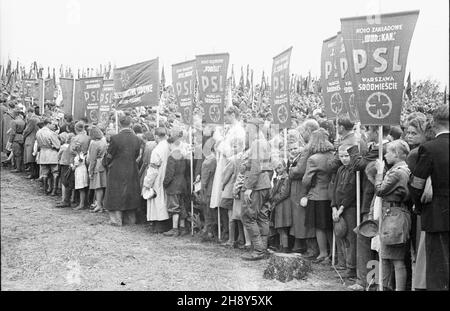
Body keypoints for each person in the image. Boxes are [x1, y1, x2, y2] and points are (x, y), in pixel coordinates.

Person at [409, 104, 449, 291]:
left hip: (436, 215)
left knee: (437, 270)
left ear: (434, 123)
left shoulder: (429, 148)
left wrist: (418, 206)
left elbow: (417, 184)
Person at [347, 125, 390, 291]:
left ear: (376, 131)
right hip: (370, 198)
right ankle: (371, 280)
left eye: (369, 130)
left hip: (374, 201)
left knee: (365, 238)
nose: (366, 134)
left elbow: (358, 163)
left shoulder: (382, 149)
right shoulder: (376, 148)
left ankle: (365, 281)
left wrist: (355, 145)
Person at [375, 139, 411, 291]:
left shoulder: (397, 172)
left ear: (396, 154)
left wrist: (379, 172)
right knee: (388, 256)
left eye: (388, 152)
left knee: (395, 258)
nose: (385, 155)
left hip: (394, 216)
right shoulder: (403, 169)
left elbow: (380, 190)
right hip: (394, 214)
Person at [301, 128, 335, 263]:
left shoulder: (313, 159)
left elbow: (306, 180)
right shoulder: (333, 155)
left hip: (317, 194)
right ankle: (333, 252)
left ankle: (323, 253)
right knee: (329, 226)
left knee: (319, 227)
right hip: (330, 194)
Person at [241, 118, 272, 261]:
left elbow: (256, 167)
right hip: (265, 184)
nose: (247, 132)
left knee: (248, 216)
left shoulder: (257, 143)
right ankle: (263, 248)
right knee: (261, 217)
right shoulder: (265, 142)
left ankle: (259, 249)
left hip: (257, 185)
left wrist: (248, 187)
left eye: (249, 129)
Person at [104, 115, 141, 226]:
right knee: (130, 193)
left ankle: (116, 220)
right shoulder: (136, 139)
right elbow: (136, 154)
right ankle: (130, 219)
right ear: (130, 124)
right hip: (131, 169)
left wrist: (106, 163)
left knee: (116, 193)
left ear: (120, 124)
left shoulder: (115, 138)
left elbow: (109, 155)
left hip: (116, 169)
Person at [331, 144, 357, 279]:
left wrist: (341, 208)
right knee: (341, 234)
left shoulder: (354, 170)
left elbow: (350, 191)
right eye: (341, 156)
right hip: (338, 208)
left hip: (349, 208)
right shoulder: (340, 169)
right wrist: (334, 206)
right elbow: (335, 189)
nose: (344, 159)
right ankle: (344, 263)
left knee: (350, 238)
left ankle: (351, 267)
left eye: (346, 156)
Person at [163, 128, 189, 237]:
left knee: (174, 208)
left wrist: (165, 183)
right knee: (181, 206)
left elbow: (169, 173)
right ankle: (182, 228)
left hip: (173, 185)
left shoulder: (171, 157)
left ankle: (174, 229)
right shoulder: (183, 156)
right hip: (182, 183)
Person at [143, 127, 170, 228]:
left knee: (157, 200)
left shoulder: (157, 149)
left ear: (156, 136)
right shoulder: (169, 146)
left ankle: (159, 224)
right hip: (167, 175)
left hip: (158, 176)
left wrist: (147, 182)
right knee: (164, 200)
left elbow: (153, 169)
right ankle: (166, 223)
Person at [269, 159, 292, 253]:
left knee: (282, 228)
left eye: (280, 167)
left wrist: (274, 199)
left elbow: (284, 193)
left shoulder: (286, 178)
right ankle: (282, 246)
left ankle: (285, 248)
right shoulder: (277, 178)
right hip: (278, 205)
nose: (278, 170)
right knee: (279, 228)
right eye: (276, 168)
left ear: (285, 166)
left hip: (283, 205)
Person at [35, 118, 61, 195]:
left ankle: (45, 189)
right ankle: (54, 190)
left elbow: (38, 144)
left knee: (44, 173)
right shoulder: (51, 133)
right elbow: (58, 145)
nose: (54, 126)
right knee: (55, 172)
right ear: (48, 124)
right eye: (53, 124)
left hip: (43, 153)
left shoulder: (38, 132)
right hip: (52, 153)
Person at [87, 126, 107, 213]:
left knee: (98, 187)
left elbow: (92, 159)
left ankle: (99, 205)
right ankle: (101, 204)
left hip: (97, 165)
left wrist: (90, 171)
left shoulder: (94, 144)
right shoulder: (104, 142)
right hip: (104, 164)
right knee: (103, 186)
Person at [71, 121, 91, 210]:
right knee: (86, 184)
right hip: (87, 160)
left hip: (79, 163)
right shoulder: (88, 138)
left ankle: (81, 202)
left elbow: (71, 151)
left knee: (80, 184)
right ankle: (86, 201)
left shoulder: (75, 138)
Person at [56, 132, 74, 208]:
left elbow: (58, 155)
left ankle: (65, 199)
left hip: (64, 164)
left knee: (64, 182)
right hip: (71, 164)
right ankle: (70, 199)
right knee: (70, 183)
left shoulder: (64, 147)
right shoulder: (73, 146)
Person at [23, 107, 40, 179]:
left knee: (30, 158)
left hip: (30, 139)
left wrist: (23, 136)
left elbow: (27, 130)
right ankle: (35, 174)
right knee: (34, 158)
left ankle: (32, 174)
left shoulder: (32, 119)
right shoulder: (38, 118)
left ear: (30, 112)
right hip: (35, 139)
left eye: (27, 113)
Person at [8, 108, 26, 173]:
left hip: (16, 138)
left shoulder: (14, 122)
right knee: (21, 153)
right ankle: (21, 167)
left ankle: (18, 168)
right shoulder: (23, 121)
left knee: (16, 154)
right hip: (21, 137)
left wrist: (10, 141)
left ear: (15, 114)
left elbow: (12, 133)